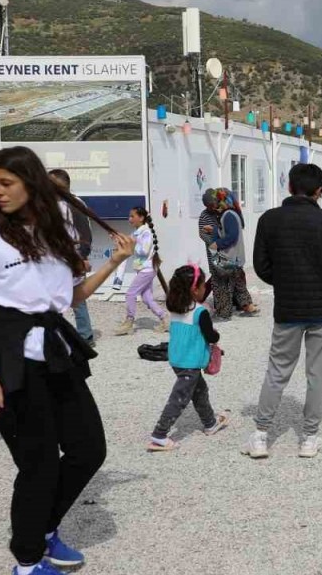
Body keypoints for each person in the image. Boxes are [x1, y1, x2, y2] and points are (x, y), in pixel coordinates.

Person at [0, 146, 135, 575]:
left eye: (6, 183)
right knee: (36, 463)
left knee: (88, 448)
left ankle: (42, 528)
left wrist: (114, 262)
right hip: (7, 353)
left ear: (30, 184)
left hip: (55, 349)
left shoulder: (59, 233)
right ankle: (28, 559)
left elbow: (71, 297)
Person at [247, 163, 322, 459]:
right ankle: (309, 438)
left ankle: (260, 435)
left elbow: (262, 266)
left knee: (277, 370)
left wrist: (286, 278)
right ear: (319, 191)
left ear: (290, 187)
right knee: (316, 374)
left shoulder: (269, 220)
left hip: (288, 306)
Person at [146, 264, 230, 452]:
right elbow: (211, 336)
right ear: (194, 289)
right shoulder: (200, 312)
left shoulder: (176, 307)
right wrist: (216, 338)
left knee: (199, 390)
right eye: (202, 287)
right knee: (180, 397)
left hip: (177, 359)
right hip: (190, 362)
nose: (204, 290)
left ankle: (210, 423)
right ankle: (159, 435)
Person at [49, 170, 94, 344]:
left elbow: (85, 233)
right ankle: (52, 333)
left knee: (78, 298)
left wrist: (82, 256)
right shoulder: (48, 204)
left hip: (72, 260)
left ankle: (85, 336)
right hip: (52, 261)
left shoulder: (74, 204)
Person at [115, 206, 169, 335]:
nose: (130, 219)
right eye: (130, 216)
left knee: (130, 294)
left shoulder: (146, 233)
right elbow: (128, 241)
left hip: (147, 269)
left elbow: (143, 250)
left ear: (141, 217)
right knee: (147, 298)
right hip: (144, 269)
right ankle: (165, 318)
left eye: (132, 216)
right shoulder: (137, 232)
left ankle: (129, 321)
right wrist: (117, 238)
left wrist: (132, 245)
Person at [207, 188, 259, 320]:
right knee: (238, 281)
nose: (214, 204)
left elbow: (232, 236)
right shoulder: (232, 213)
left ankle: (224, 313)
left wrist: (216, 244)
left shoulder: (228, 215)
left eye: (216, 201)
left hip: (228, 256)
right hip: (235, 256)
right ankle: (248, 306)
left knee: (221, 284)